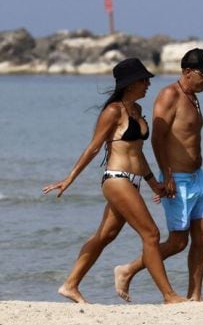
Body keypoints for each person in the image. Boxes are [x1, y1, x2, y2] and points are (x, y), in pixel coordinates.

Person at [42, 58, 188, 304]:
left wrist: (154, 184)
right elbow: (94, 148)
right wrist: (69, 179)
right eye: (144, 80)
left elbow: (138, 153)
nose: (148, 84)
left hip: (133, 181)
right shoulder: (113, 111)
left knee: (105, 235)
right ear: (130, 83)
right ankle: (169, 295)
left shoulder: (137, 111)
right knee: (151, 234)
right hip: (116, 179)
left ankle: (70, 284)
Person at [114, 48, 203, 302]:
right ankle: (127, 270)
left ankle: (195, 295)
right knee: (177, 242)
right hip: (179, 179)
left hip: (198, 177)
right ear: (186, 72)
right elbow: (158, 140)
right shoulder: (169, 96)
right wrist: (167, 176)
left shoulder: (193, 97)